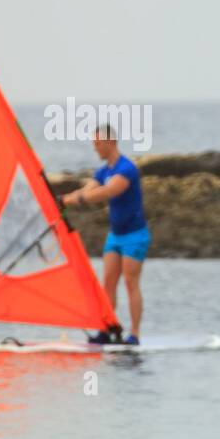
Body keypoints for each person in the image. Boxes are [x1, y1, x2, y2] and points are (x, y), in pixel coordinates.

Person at [63, 123, 149, 344]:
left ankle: (135, 334)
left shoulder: (126, 169)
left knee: (131, 283)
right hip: (115, 236)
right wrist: (65, 199)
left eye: (98, 144)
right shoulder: (104, 171)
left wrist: (79, 199)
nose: (95, 149)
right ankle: (106, 329)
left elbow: (108, 192)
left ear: (110, 143)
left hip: (135, 235)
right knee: (108, 283)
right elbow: (88, 189)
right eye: (94, 144)